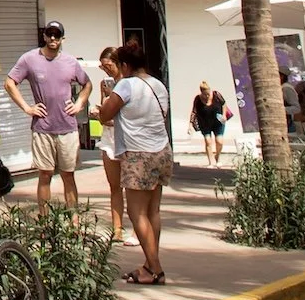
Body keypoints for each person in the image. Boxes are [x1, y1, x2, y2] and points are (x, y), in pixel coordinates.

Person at [99, 41, 173, 286]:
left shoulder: (126, 85)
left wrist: (104, 107)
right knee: (153, 210)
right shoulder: (158, 85)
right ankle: (150, 263)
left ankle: (156, 269)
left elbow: (105, 114)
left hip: (137, 154)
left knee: (136, 212)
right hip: (161, 151)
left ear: (125, 65)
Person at [5, 21, 93, 208]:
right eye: (49, 34)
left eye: (57, 35)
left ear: (63, 38)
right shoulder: (29, 59)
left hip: (67, 128)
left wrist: (79, 104)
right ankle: (44, 222)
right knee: (45, 174)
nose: (53, 38)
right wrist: (27, 108)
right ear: (44, 36)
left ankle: (74, 218)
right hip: (43, 128)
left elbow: (87, 84)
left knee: (68, 174)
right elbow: (10, 83)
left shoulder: (70, 62)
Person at [94, 47, 129, 244]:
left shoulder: (127, 84)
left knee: (132, 188)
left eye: (108, 66)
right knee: (114, 187)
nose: (106, 70)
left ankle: (136, 227)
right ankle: (117, 228)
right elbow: (105, 115)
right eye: (103, 67)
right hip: (109, 139)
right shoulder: (109, 85)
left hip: (126, 139)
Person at [190, 81, 230, 165]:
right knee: (208, 141)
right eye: (205, 94)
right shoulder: (197, 99)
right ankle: (211, 162)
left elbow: (224, 104)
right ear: (201, 92)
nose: (207, 96)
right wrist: (190, 125)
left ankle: (217, 157)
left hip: (218, 121)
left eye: (208, 93)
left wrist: (224, 115)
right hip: (205, 122)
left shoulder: (216, 95)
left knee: (219, 141)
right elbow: (194, 111)